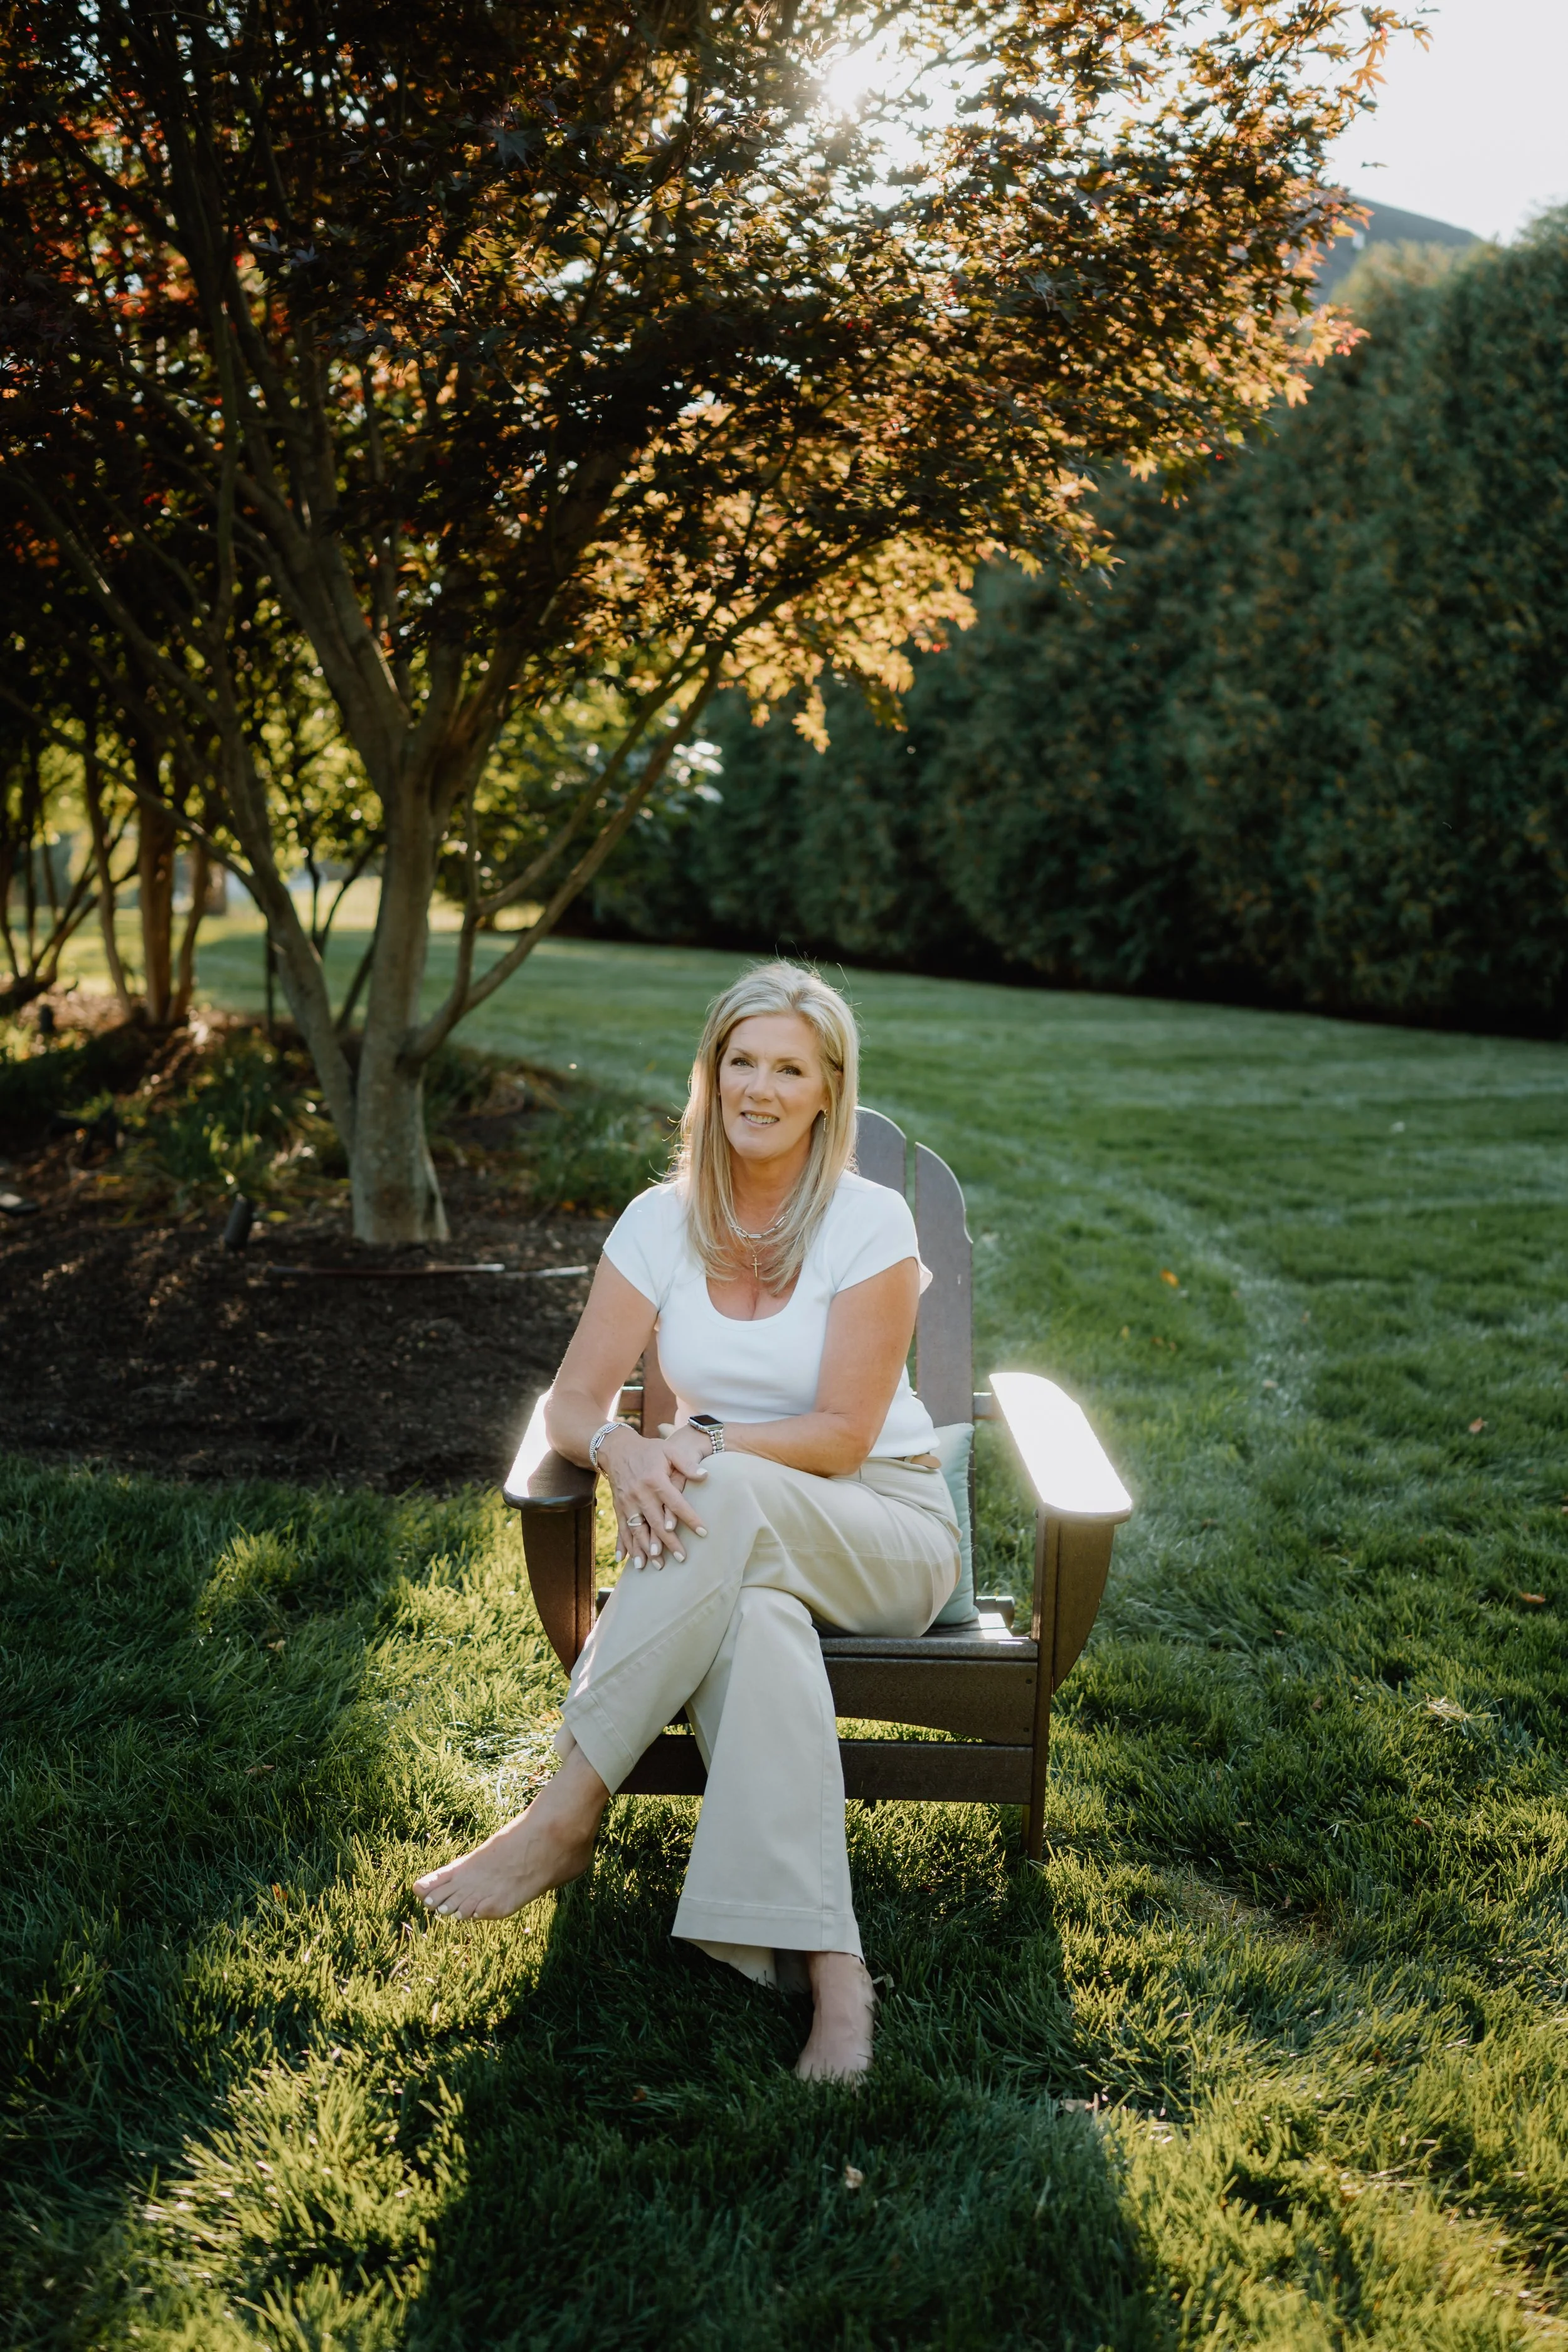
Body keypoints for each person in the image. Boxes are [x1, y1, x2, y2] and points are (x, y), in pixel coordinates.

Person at [414, 963, 959, 2080]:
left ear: (828, 1090)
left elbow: (845, 1435)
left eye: (788, 1067)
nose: (760, 1085)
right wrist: (617, 1443)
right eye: (740, 1060)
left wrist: (691, 1446)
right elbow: (571, 1401)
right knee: (758, 1627)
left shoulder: (875, 1220)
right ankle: (837, 1979)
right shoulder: (661, 1221)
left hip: (884, 1531)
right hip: (730, 1545)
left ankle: (566, 1812)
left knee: (722, 1488)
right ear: (712, 1075)